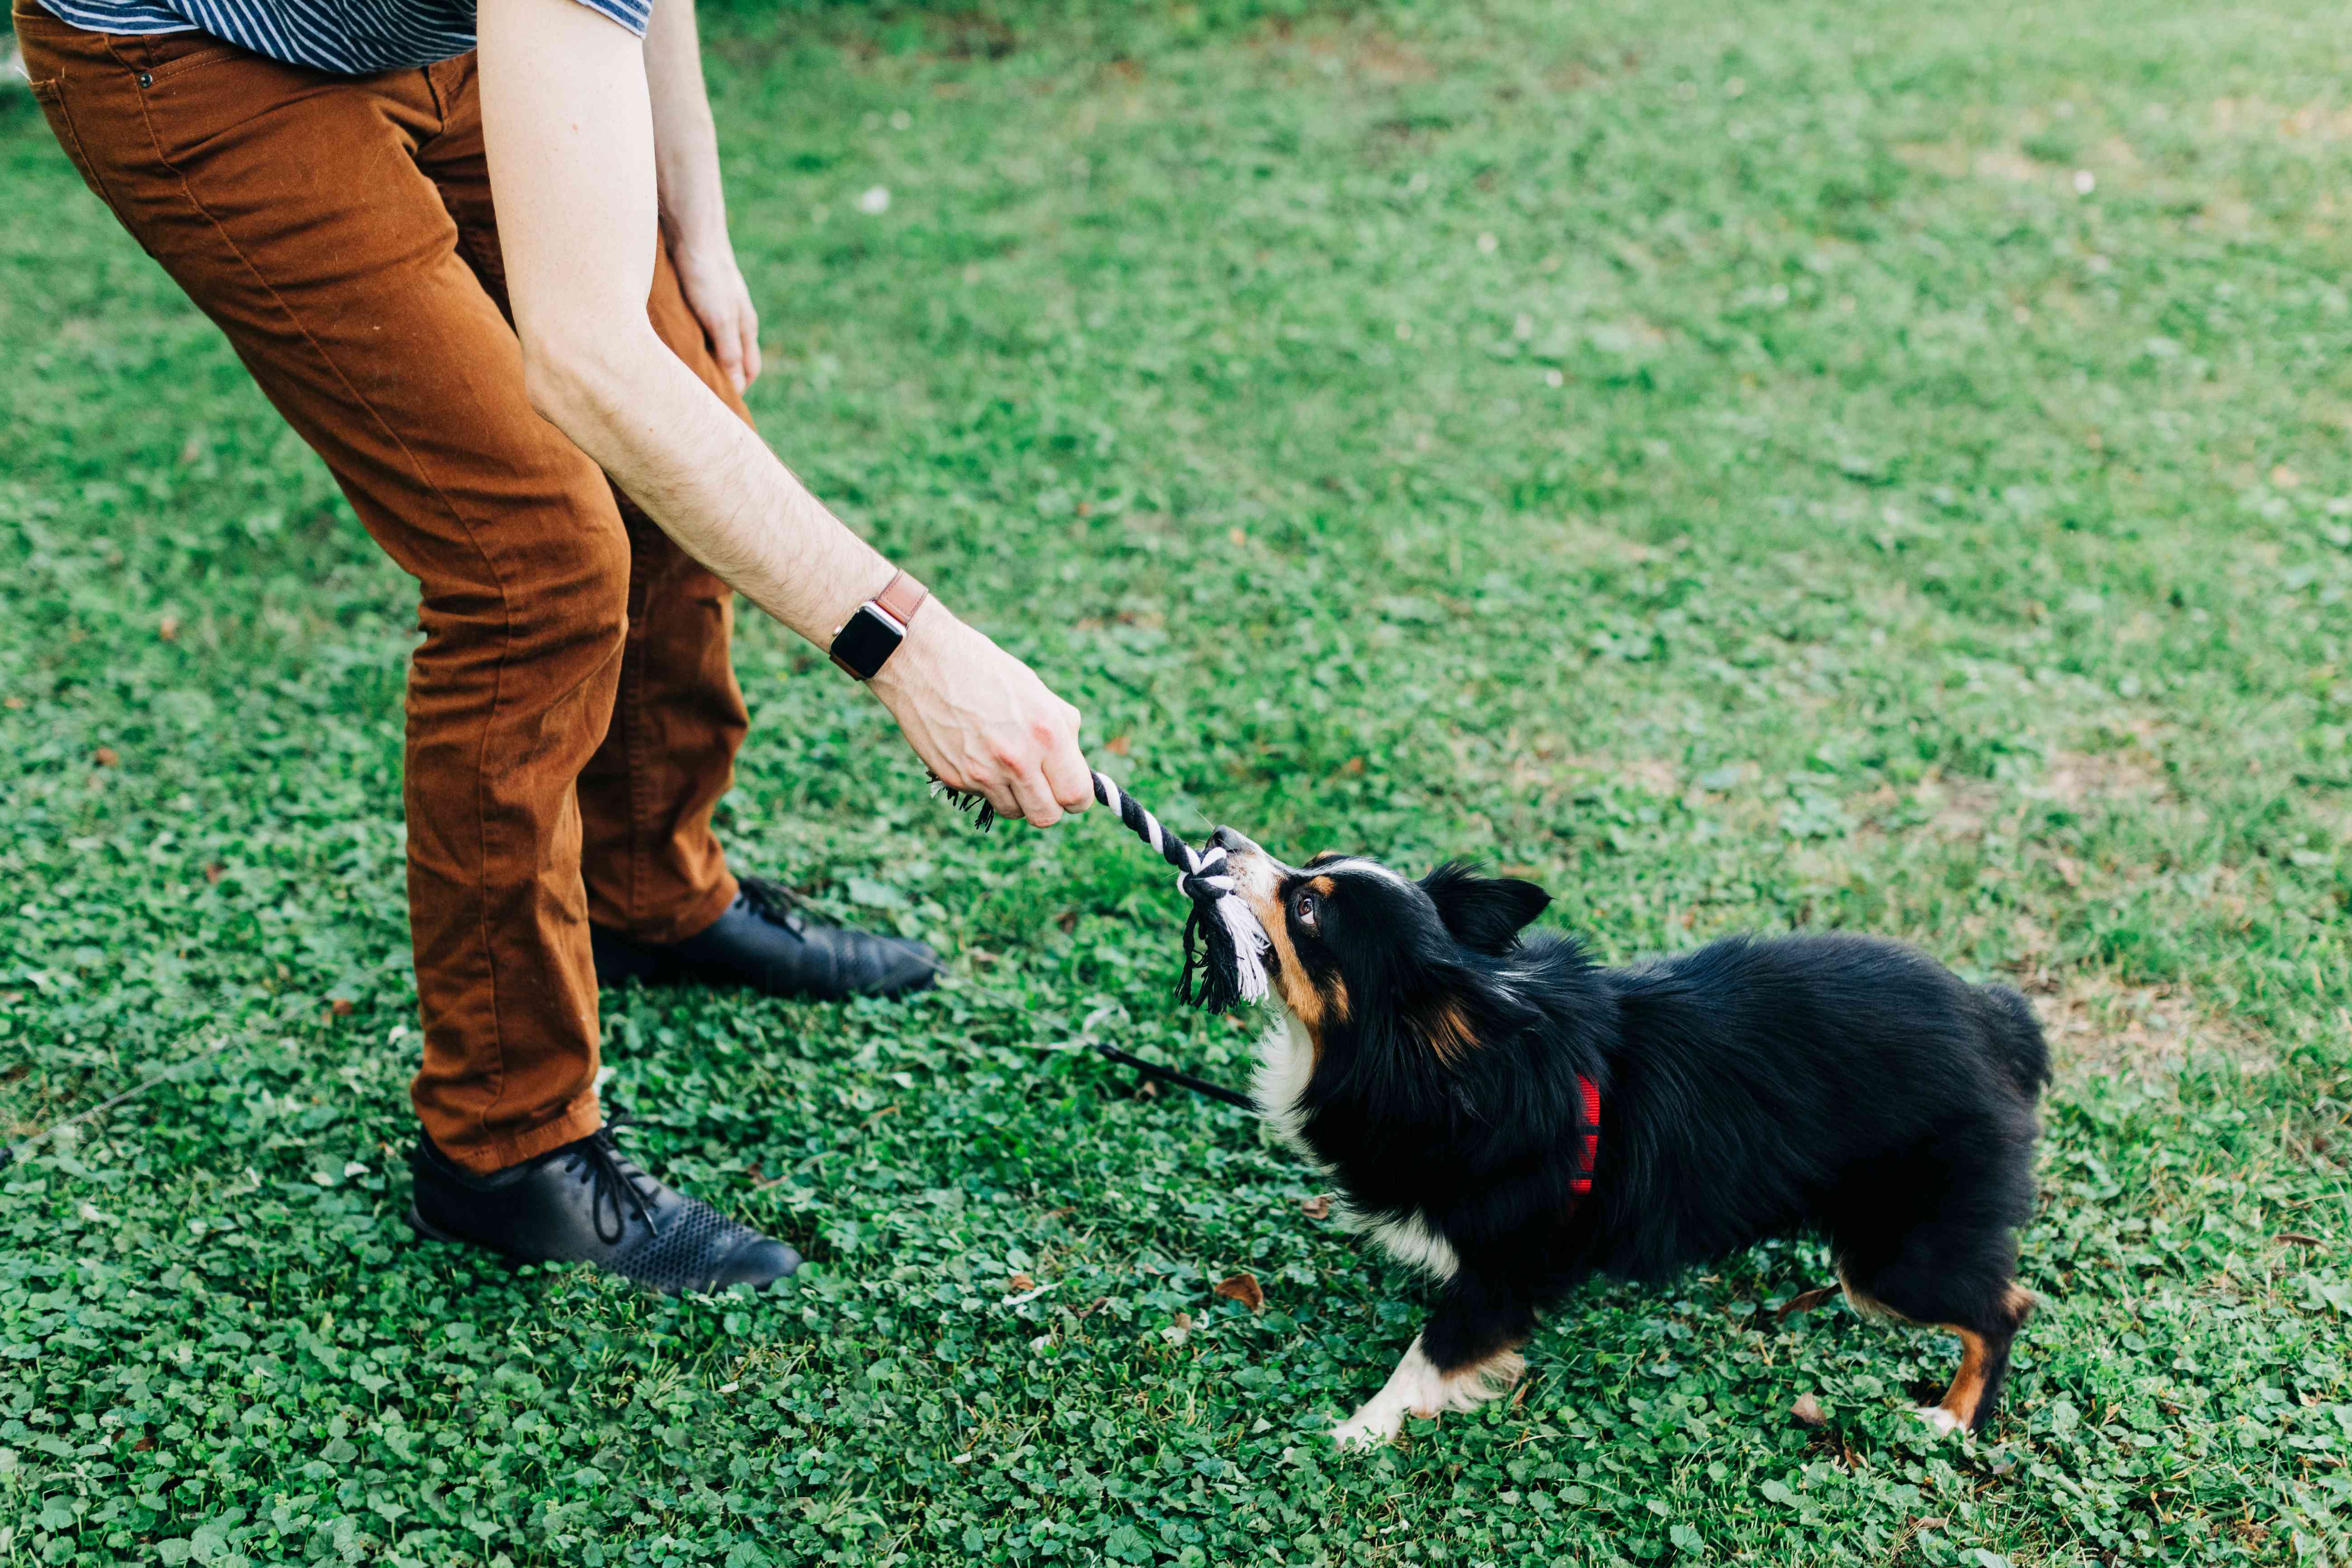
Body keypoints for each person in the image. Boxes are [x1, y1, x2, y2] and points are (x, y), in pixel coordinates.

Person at [13, 0, 1095, 1293]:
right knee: (535, 561)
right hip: (198, 53)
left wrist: (693, 210)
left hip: (449, 31)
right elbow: (584, 366)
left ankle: (650, 888)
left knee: (690, 416)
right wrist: (911, 649)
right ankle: (504, 1144)